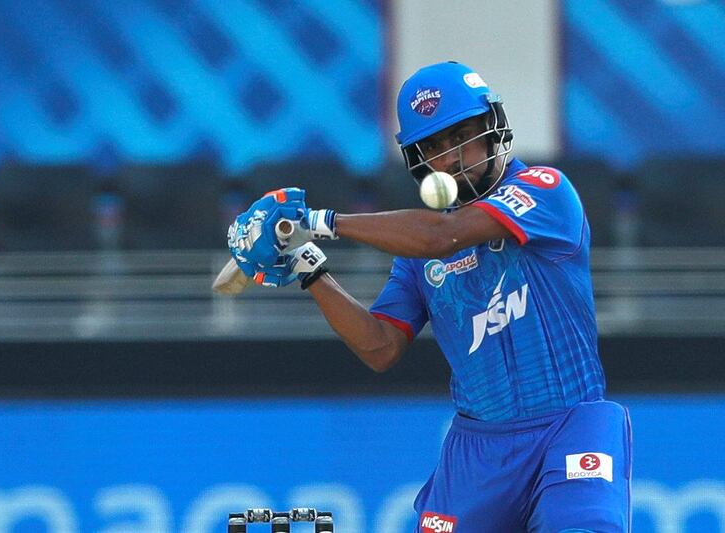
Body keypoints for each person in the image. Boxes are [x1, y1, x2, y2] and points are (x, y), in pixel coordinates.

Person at [227, 61, 631, 533]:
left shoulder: (544, 190)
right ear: (419, 160)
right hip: (478, 450)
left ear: (491, 127)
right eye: (435, 146)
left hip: (569, 424)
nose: (453, 157)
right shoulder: (417, 254)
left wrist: (319, 221)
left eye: (463, 134)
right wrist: (308, 268)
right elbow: (380, 347)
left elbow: (447, 234)